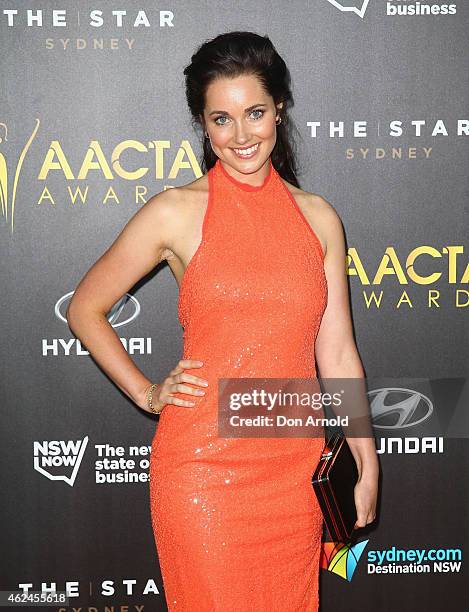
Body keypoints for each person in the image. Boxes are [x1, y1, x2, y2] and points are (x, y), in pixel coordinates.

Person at [67, 31, 378, 612]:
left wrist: (366, 455)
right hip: (203, 470)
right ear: (202, 123)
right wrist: (147, 391)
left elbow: (336, 352)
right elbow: (85, 307)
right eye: (221, 119)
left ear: (279, 110)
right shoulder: (175, 211)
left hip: (294, 468)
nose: (241, 136)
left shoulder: (319, 219)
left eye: (255, 113)